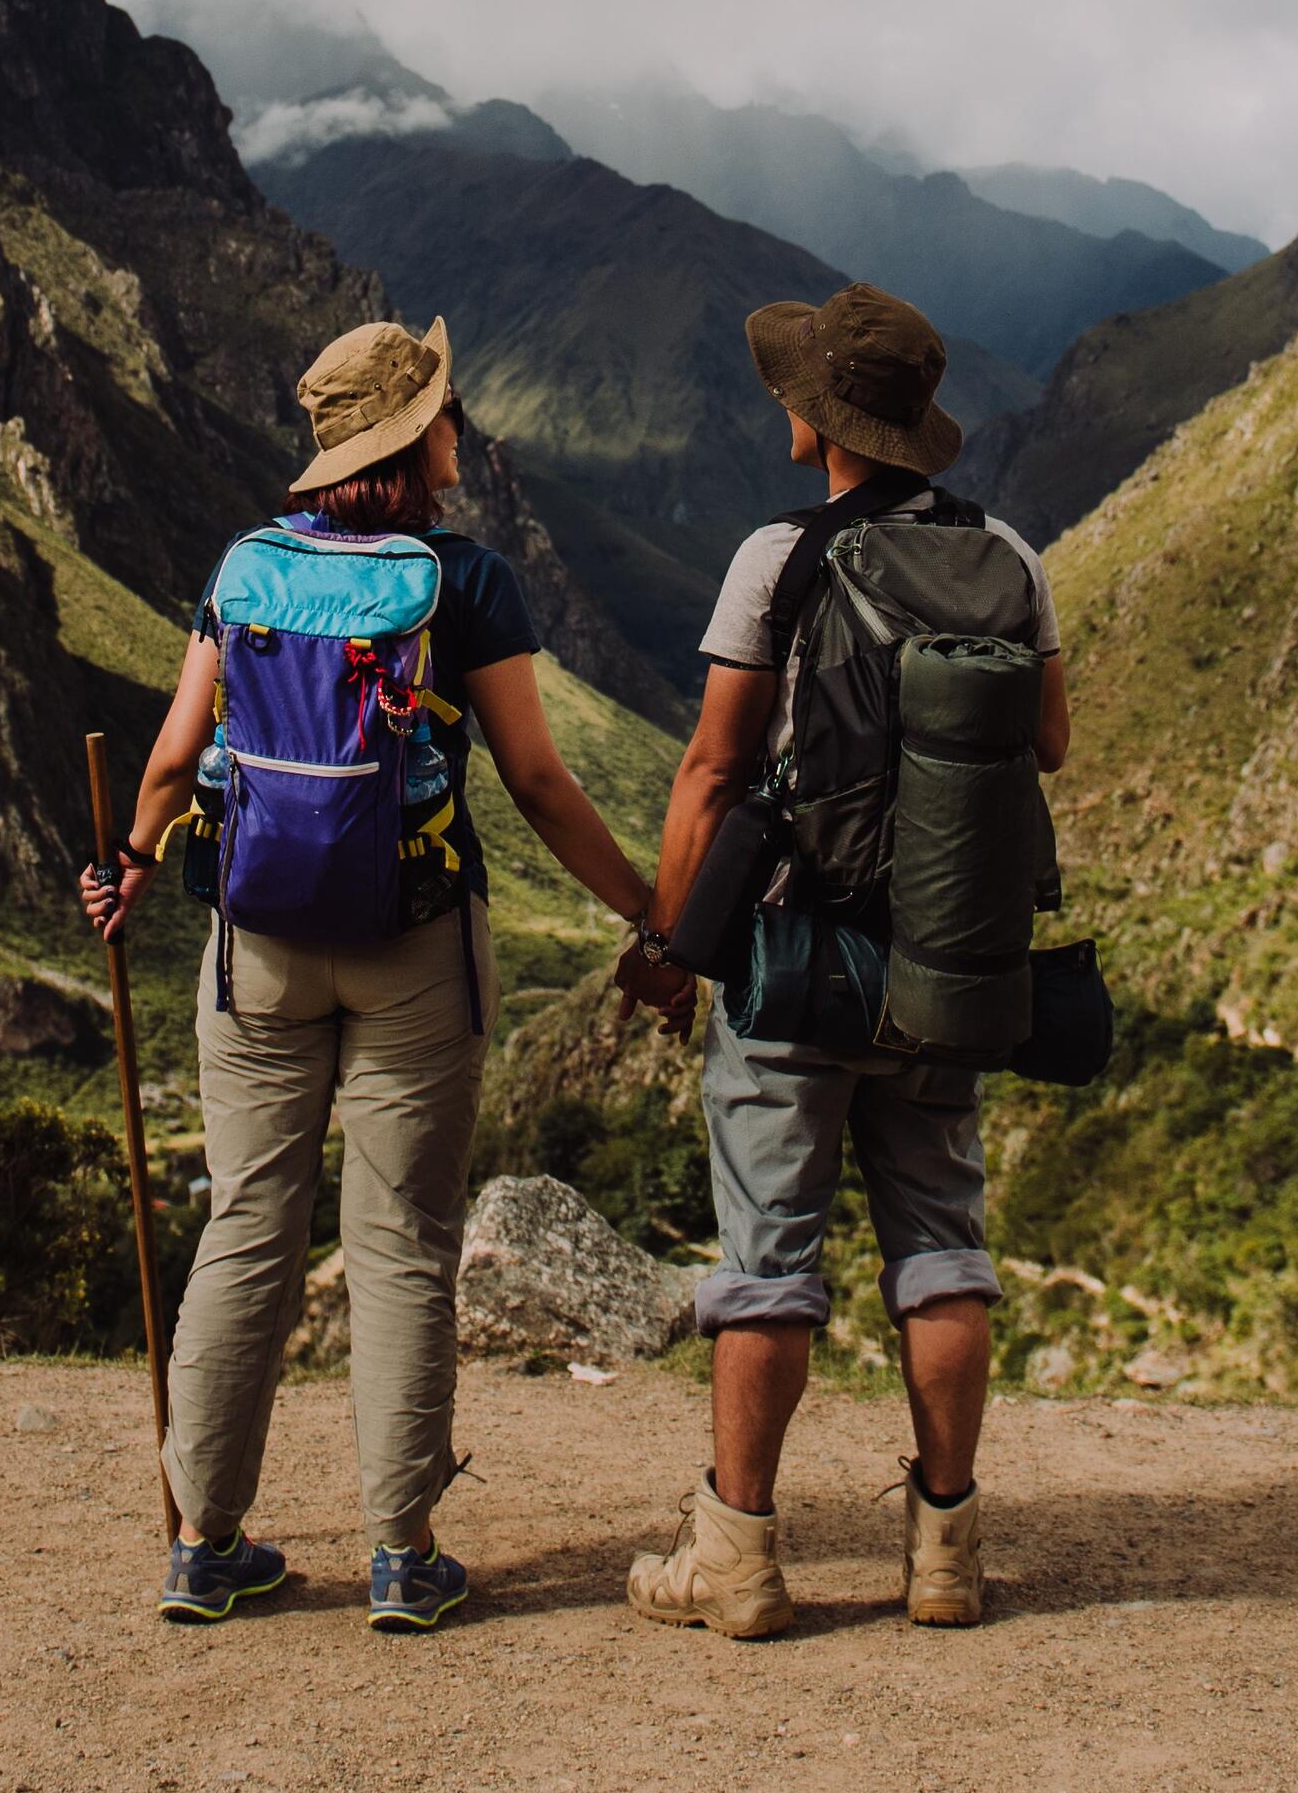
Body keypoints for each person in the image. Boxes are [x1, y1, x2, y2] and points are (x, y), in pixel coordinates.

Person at [83, 315, 683, 1634]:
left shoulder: (244, 571)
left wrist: (128, 863)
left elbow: (176, 760)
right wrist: (646, 905)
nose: (463, 429)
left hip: (258, 942)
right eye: (447, 413)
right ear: (417, 445)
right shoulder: (463, 583)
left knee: (246, 1224)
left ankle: (202, 1541)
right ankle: (402, 1553)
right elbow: (534, 778)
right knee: (401, 1237)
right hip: (414, 937)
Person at [628, 283, 1067, 1641]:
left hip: (796, 951)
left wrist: (666, 938)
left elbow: (712, 763)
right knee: (943, 1240)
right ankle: (945, 1553)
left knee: (767, 1255)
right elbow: (1045, 743)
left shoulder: (781, 558)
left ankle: (739, 1557)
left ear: (821, 422)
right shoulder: (1010, 555)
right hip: (948, 956)